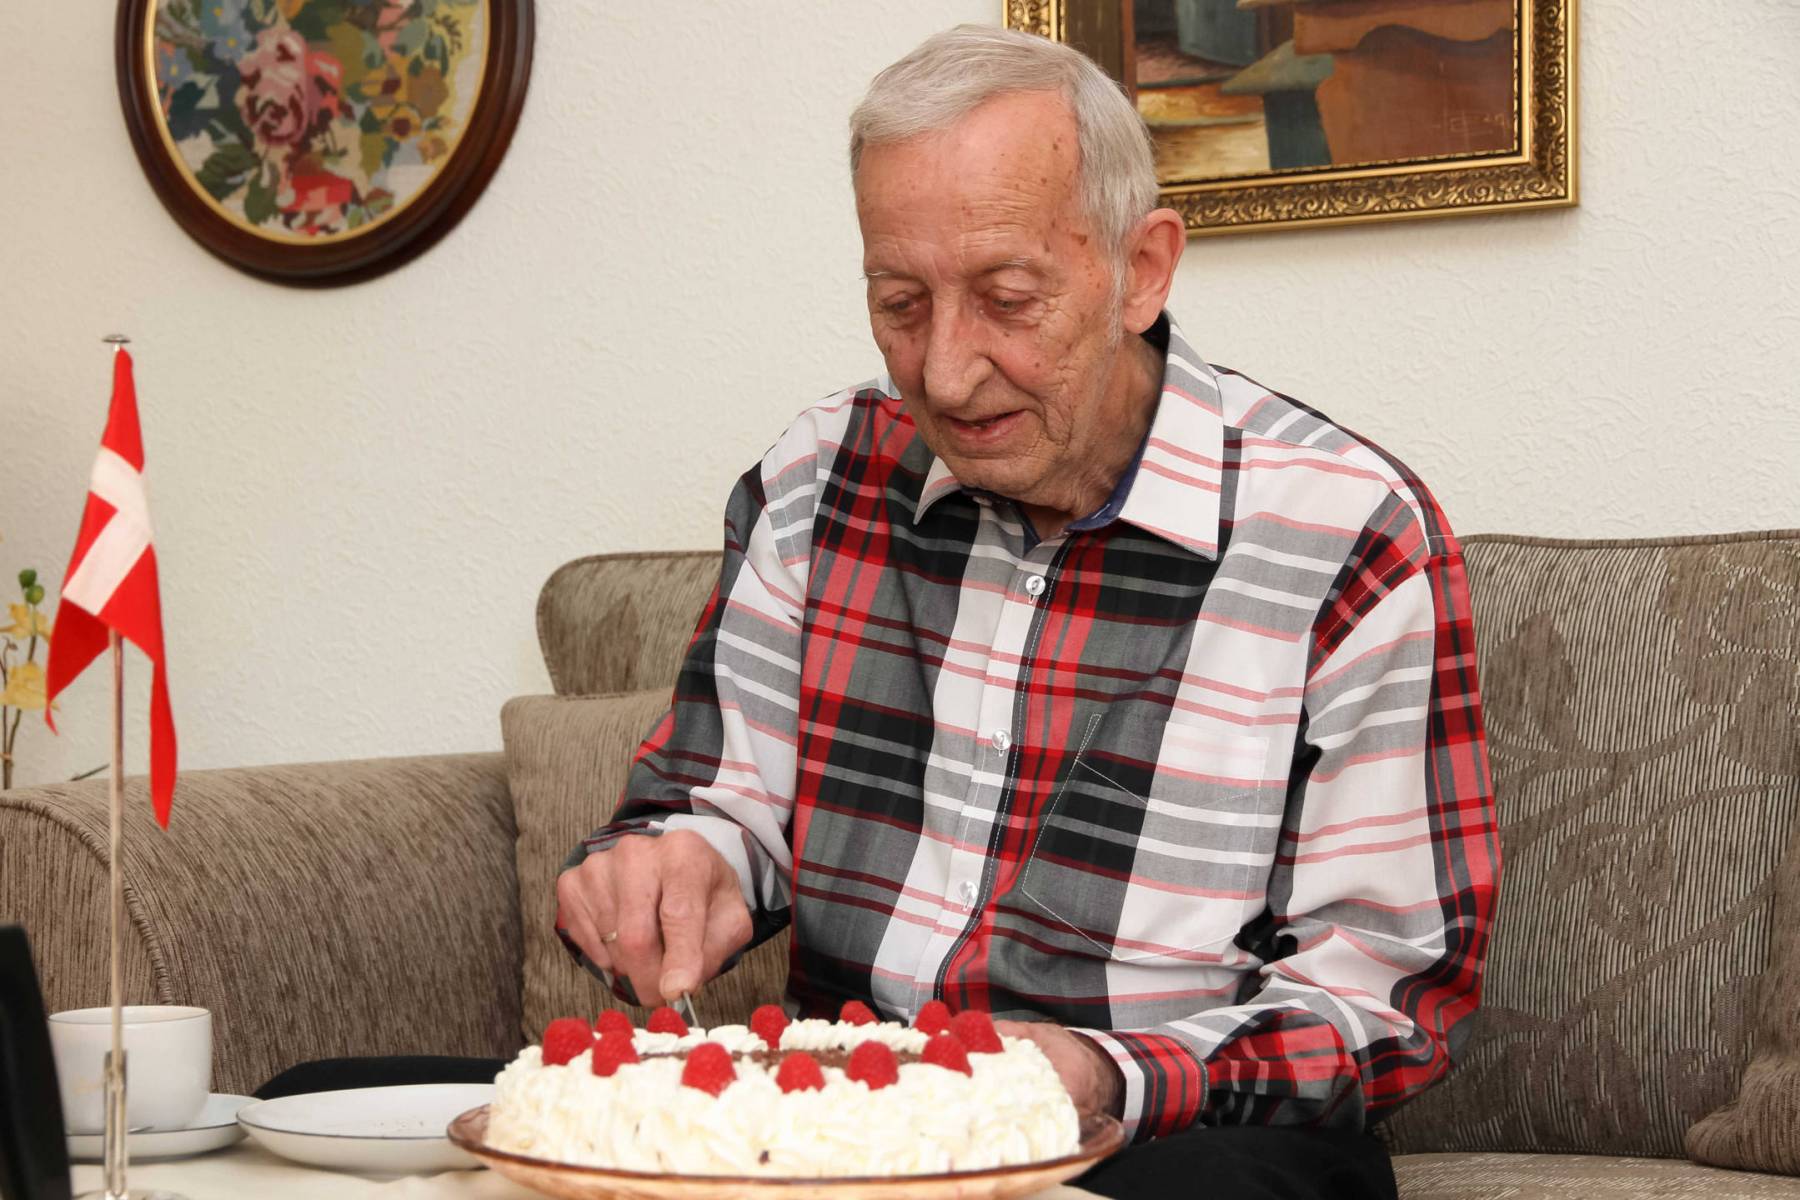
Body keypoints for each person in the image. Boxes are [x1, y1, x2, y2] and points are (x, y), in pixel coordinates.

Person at [555, 24, 1498, 1199]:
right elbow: (713, 801)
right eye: (901, 304)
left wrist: (1100, 1074)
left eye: (1007, 300)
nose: (946, 372)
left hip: (1164, 1139)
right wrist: (675, 864)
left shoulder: (1347, 532)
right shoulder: (818, 479)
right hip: (858, 1126)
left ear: (1142, 270)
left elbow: (1385, 999)